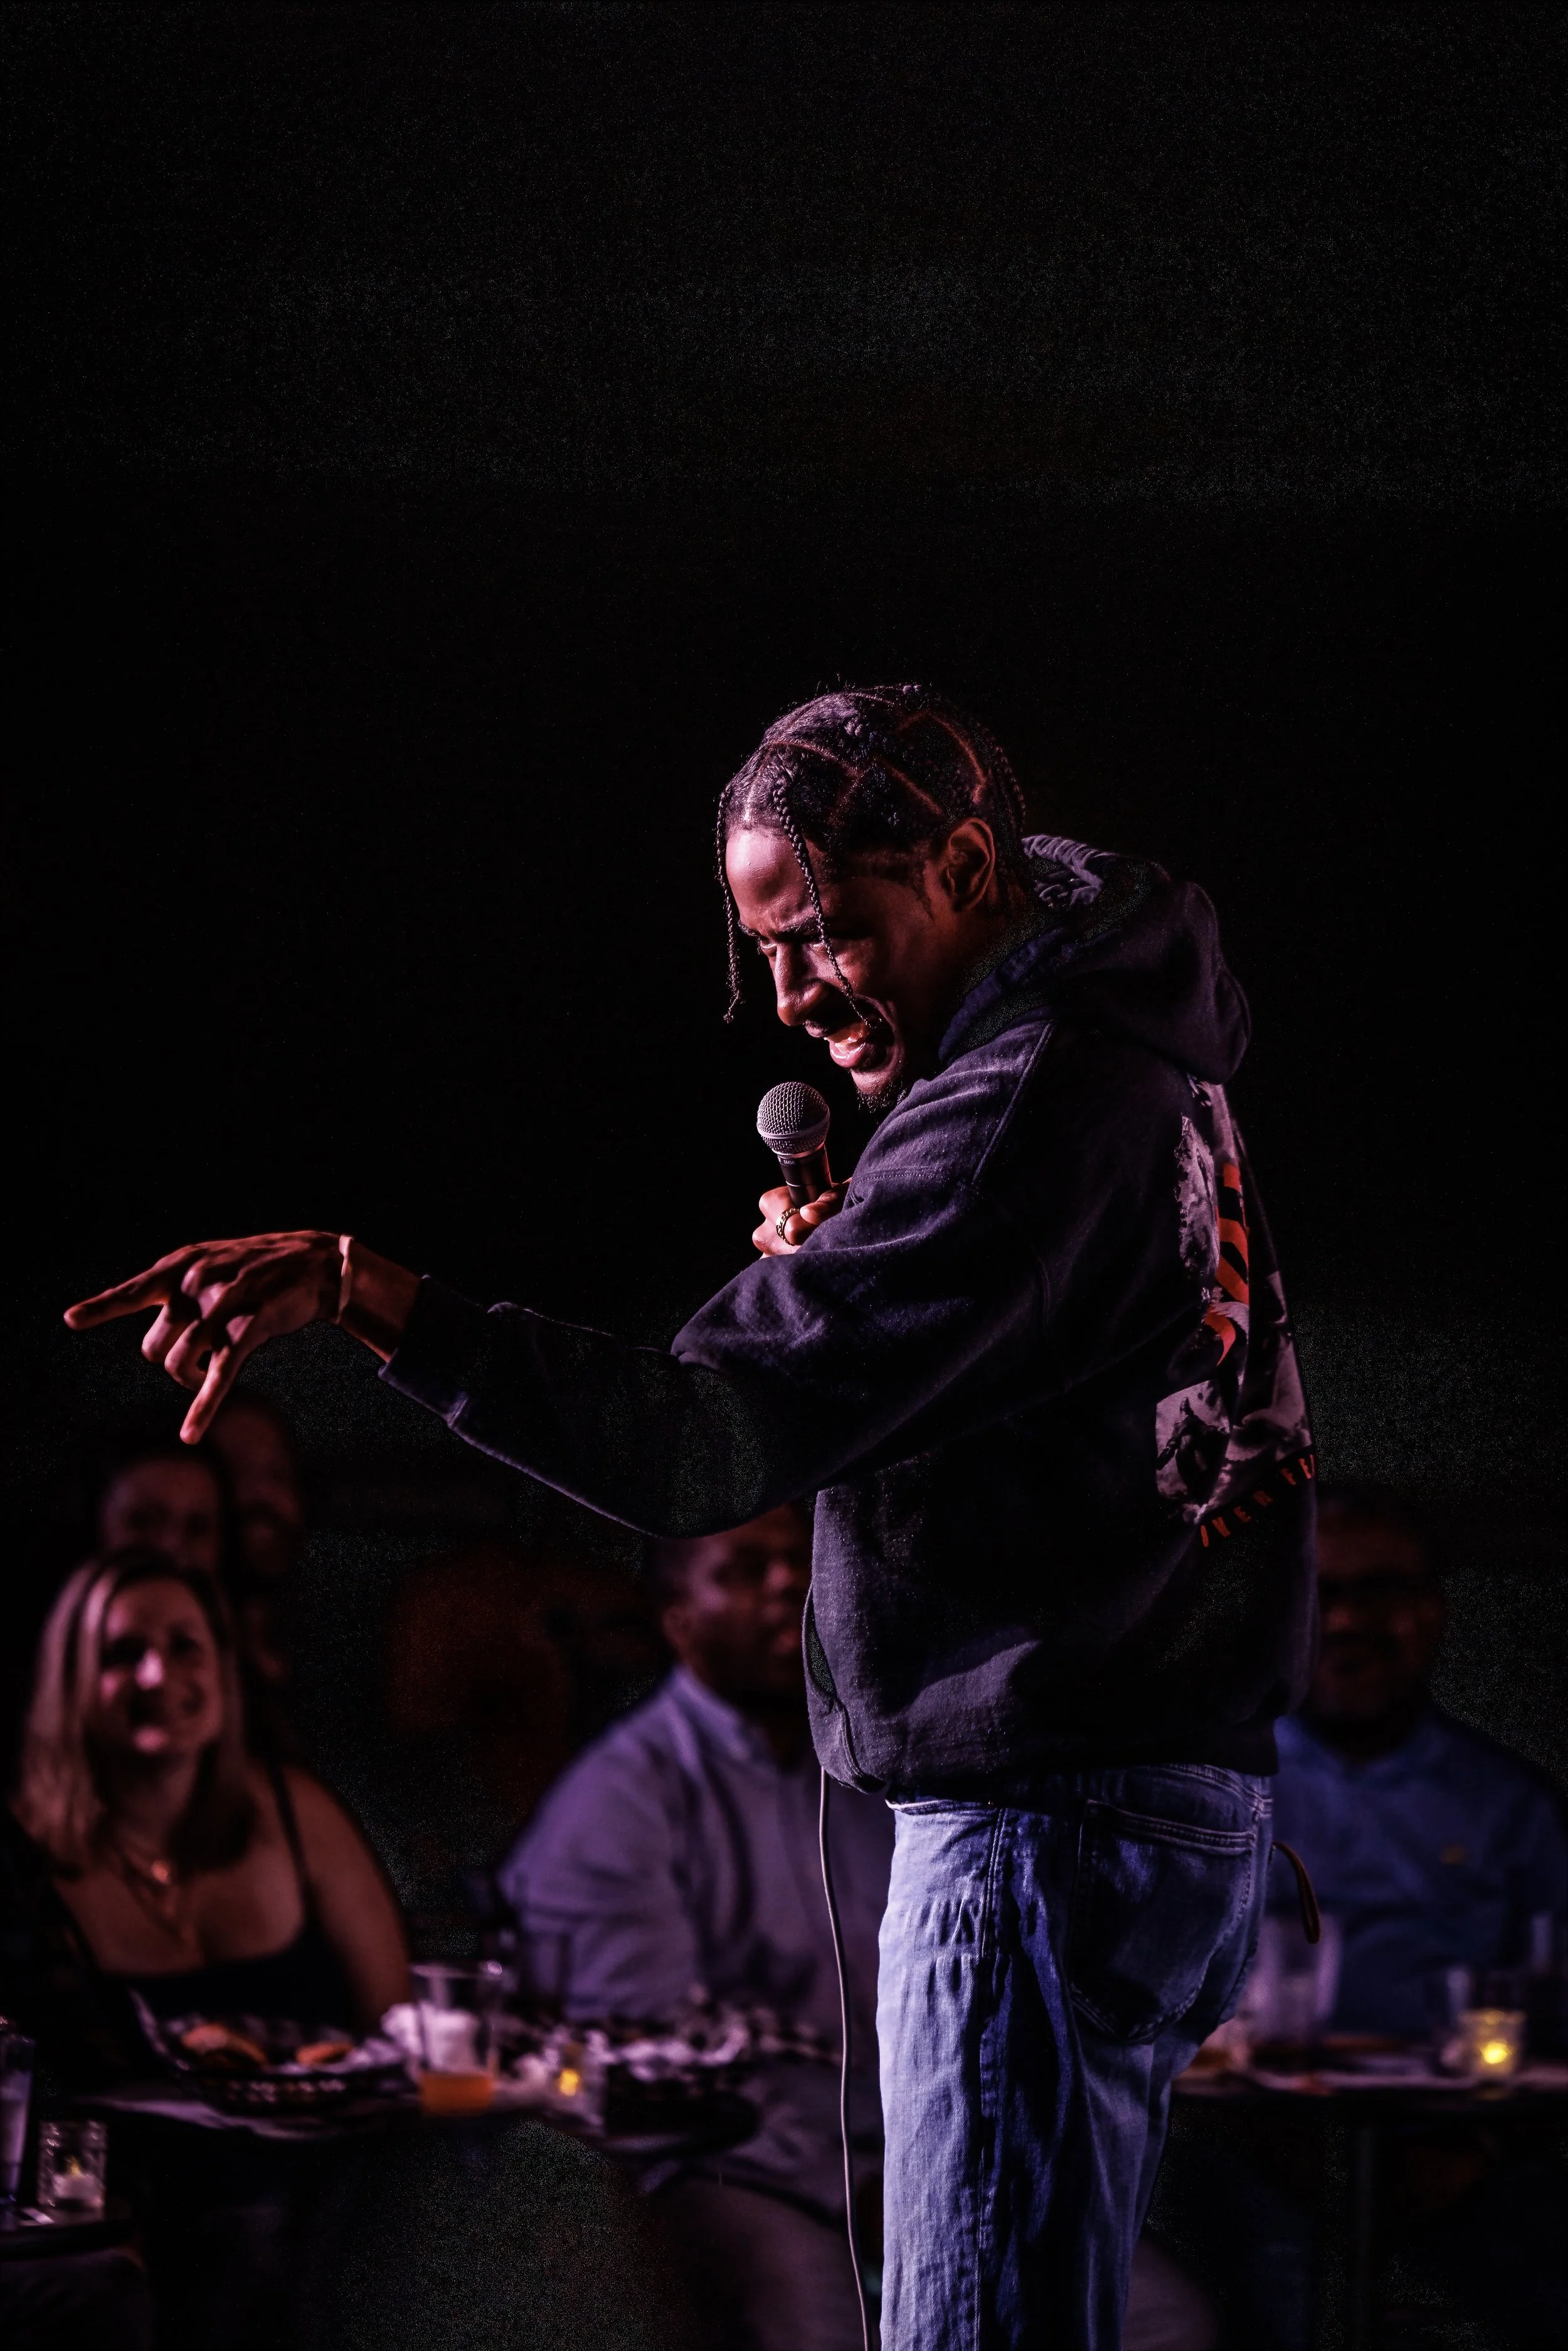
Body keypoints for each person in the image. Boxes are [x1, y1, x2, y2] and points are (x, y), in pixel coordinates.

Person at [65, 684, 1316, 2349]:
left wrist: (376, 1298)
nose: (791, 999)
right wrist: (861, 1253)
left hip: (1040, 1829)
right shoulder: (1122, 1041)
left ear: (957, 864)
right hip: (1160, 1809)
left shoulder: (1016, 1104)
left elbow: (697, 1443)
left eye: (827, 936)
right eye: (765, 950)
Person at [498, 1503, 893, 2351]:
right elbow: (657, 2072)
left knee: (1161, 2319)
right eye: (746, 1569)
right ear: (678, 1621)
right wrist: (859, 2183)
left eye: (799, 1562)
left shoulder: (878, 1777)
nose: (790, 1584)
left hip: (899, 2157)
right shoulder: (621, 1798)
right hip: (734, 2169)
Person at [1273, 1483, 1568, 2034]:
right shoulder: (1217, 1791)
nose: (1345, 1623)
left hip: (1447, 2112)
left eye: (1379, 1593)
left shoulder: (1514, 1807)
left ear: (1431, 1614)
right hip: (1248, 2111)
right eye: (1319, 1594)